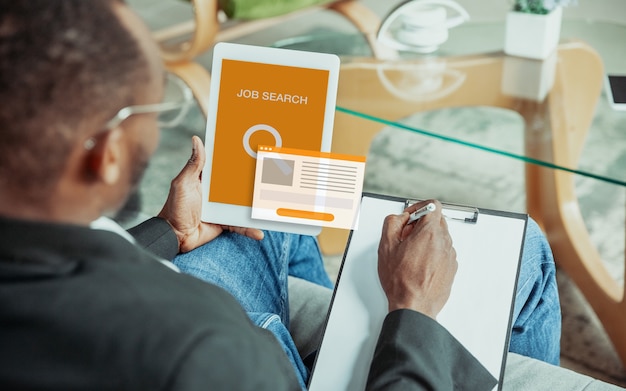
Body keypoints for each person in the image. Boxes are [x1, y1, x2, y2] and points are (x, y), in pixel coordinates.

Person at [0, 1, 621, 390]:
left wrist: (165, 231)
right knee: (527, 250)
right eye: (151, 108)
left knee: (270, 211)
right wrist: (412, 309)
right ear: (104, 154)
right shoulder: (194, 347)